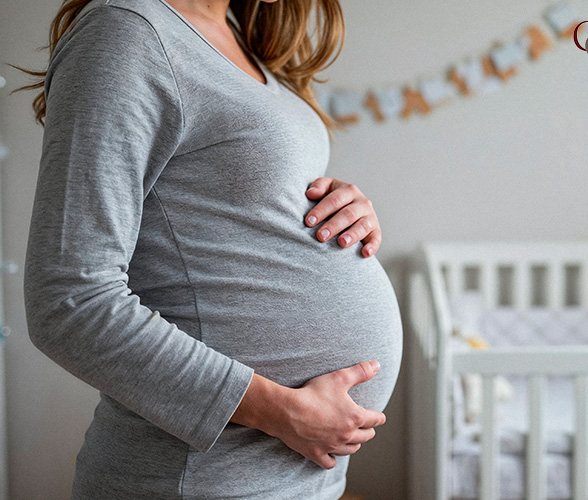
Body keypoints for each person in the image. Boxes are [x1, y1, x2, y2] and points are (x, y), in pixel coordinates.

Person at [15, 0, 403, 497]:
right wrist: (279, 410)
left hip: (286, 478)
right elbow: (69, 301)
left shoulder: (238, 35)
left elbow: (236, 206)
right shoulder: (127, 32)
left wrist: (348, 210)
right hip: (201, 479)